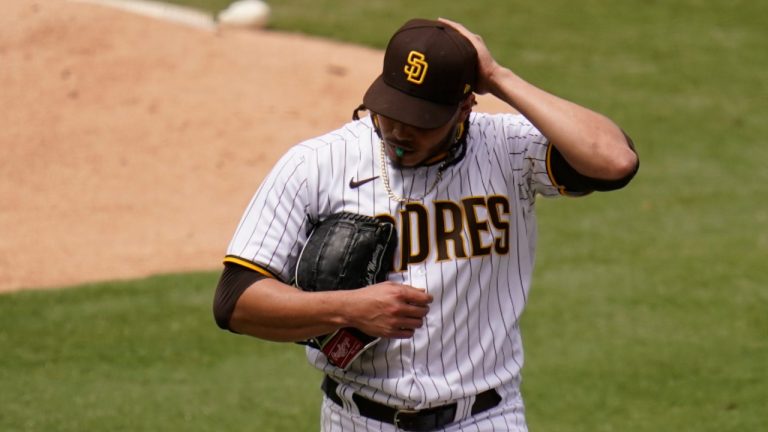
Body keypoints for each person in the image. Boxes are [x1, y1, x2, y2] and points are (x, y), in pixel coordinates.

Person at [213, 17, 638, 431]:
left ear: (465, 105)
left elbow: (614, 161)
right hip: (356, 419)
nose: (399, 130)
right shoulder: (315, 164)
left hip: (485, 418)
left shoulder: (508, 150)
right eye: (391, 110)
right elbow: (235, 301)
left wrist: (498, 76)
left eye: (420, 120)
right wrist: (350, 307)